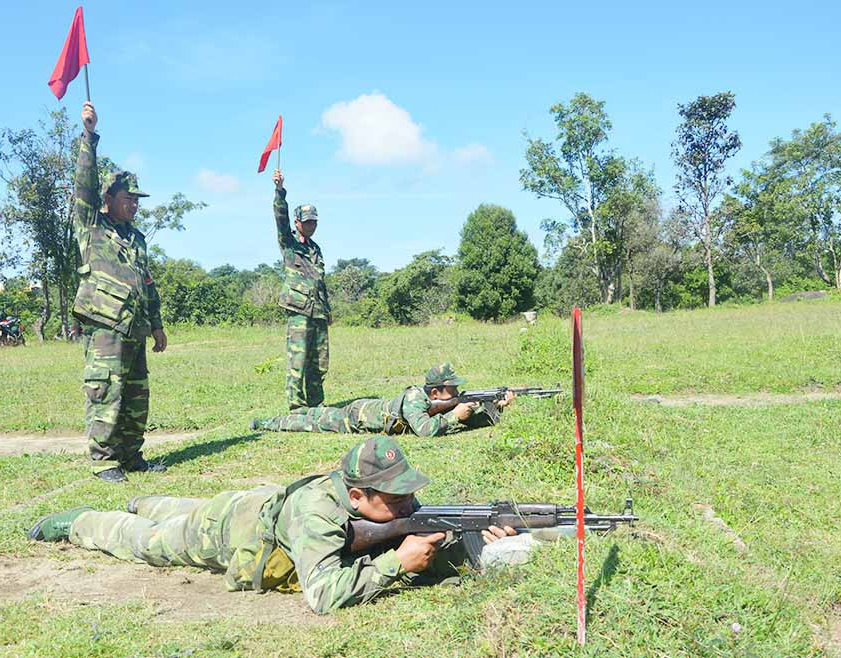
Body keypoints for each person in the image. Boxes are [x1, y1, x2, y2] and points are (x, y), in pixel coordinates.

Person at [27, 436, 518, 614]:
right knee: (152, 540)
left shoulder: (386, 503)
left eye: (409, 490)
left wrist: (476, 546)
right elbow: (322, 596)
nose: (411, 502)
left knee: (176, 505)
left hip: (259, 503)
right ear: (356, 496)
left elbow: (420, 538)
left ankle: (144, 498)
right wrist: (395, 564)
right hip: (232, 531)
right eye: (397, 496)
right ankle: (81, 521)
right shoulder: (319, 516)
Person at [71, 101, 167, 483]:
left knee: (134, 394)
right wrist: (89, 137)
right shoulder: (92, 227)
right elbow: (84, 185)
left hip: (135, 328)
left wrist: (157, 325)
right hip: (106, 327)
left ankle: (130, 454)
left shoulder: (137, 239)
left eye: (136, 200)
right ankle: (103, 460)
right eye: (128, 198)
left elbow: (147, 284)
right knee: (106, 392)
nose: (134, 205)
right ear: (108, 200)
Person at [250, 362, 514, 436]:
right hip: (354, 417)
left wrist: (496, 409)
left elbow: (465, 419)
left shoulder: (435, 402)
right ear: (435, 393)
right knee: (306, 420)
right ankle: (265, 423)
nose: (456, 395)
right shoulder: (414, 400)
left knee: (309, 415)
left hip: (362, 414)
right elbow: (425, 430)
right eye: (452, 390)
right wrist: (454, 416)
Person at [272, 169, 331, 411]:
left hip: (317, 311)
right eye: (307, 222)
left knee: (319, 361)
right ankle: (296, 405)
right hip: (298, 309)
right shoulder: (289, 242)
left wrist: (327, 309)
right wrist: (279, 192)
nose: (311, 225)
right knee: (298, 360)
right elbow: (280, 219)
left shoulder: (316, 248)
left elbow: (320, 281)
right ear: (298, 223)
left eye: (314, 221)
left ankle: (316, 403)